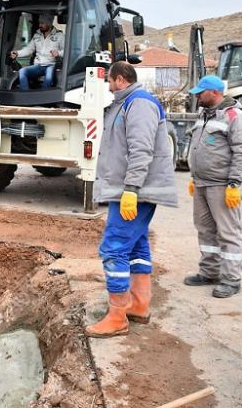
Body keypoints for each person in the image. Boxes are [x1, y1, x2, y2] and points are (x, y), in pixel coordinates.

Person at [86, 61, 178, 338]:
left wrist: (131, 188)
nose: (109, 86)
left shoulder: (138, 104)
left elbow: (141, 150)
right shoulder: (127, 103)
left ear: (122, 79)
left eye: (111, 81)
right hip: (128, 190)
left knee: (113, 248)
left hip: (134, 192)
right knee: (136, 246)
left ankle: (117, 317)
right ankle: (138, 305)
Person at [183, 75, 242, 298]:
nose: (197, 96)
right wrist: (195, 177)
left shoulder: (235, 116)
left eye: (200, 92)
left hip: (222, 185)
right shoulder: (204, 115)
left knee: (228, 233)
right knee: (205, 230)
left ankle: (232, 280)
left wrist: (234, 183)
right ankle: (209, 271)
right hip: (202, 184)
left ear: (214, 92)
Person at [9, 12, 63, 90]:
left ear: (49, 23)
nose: (40, 25)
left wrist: (58, 53)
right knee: (22, 71)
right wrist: (17, 53)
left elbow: (66, 51)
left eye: (42, 23)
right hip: (38, 65)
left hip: (51, 65)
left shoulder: (59, 36)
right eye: (39, 23)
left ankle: (43, 97)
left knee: (48, 77)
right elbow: (29, 49)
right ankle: (26, 95)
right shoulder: (37, 35)